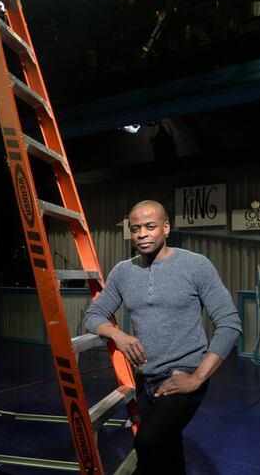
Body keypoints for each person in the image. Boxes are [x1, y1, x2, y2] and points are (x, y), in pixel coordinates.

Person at [84, 199, 241, 474]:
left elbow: (229, 323)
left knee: (147, 443)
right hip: (146, 379)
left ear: (166, 227)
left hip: (183, 376)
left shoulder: (196, 265)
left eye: (150, 226)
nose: (142, 234)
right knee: (169, 450)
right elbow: (93, 315)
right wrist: (117, 334)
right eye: (135, 228)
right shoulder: (123, 272)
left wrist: (197, 377)